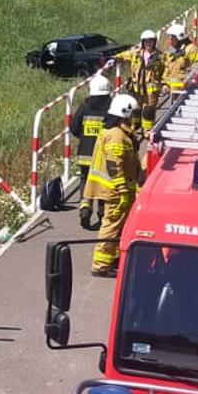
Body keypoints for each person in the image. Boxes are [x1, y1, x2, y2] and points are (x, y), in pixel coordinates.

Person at [89, 94, 143, 277]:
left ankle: (113, 259)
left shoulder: (119, 132)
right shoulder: (116, 136)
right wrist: (122, 191)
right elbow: (114, 165)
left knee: (119, 225)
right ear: (124, 112)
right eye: (132, 114)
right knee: (111, 226)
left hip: (119, 189)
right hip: (115, 191)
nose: (134, 118)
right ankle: (101, 265)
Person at [68, 74, 115, 226]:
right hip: (103, 157)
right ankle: (102, 213)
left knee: (85, 180)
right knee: (102, 183)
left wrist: (84, 137)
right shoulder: (112, 108)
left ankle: (85, 209)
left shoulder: (85, 106)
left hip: (85, 155)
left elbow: (74, 128)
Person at [117, 30, 165, 131]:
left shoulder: (160, 56)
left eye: (151, 41)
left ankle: (147, 130)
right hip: (137, 88)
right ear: (142, 42)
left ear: (154, 42)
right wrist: (113, 59)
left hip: (151, 90)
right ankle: (135, 126)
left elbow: (165, 71)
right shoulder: (135, 53)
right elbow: (124, 55)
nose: (149, 43)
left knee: (148, 111)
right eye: (146, 41)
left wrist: (165, 84)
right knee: (136, 108)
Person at [161, 23, 198, 93]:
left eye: (173, 36)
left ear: (179, 37)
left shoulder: (191, 49)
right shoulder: (171, 52)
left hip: (186, 90)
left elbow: (197, 66)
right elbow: (167, 69)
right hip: (173, 91)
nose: (170, 38)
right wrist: (165, 84)